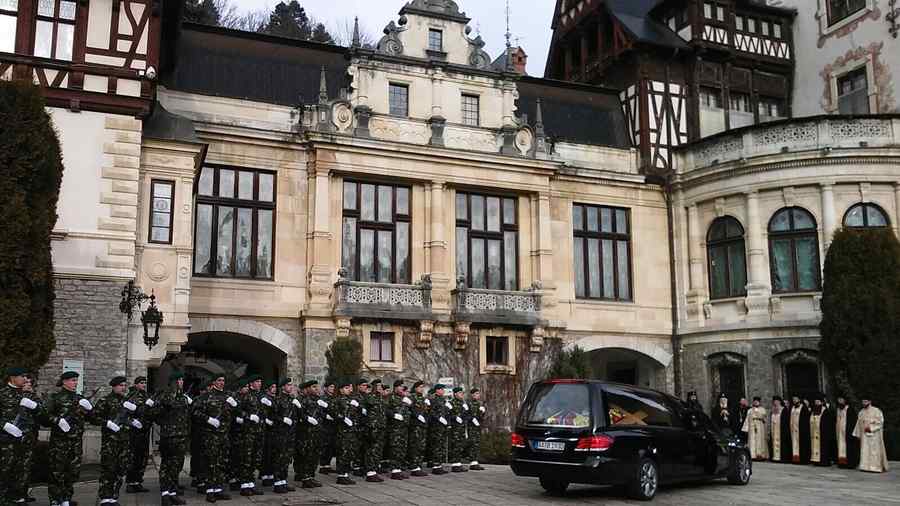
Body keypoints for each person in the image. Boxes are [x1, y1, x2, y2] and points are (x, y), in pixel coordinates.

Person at [45, 371, 94, 506]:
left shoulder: (80, 398)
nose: (75, 383)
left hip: (75, 442)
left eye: (76, 380)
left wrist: (90, 409)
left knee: (72, 472)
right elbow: (44, 416)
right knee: (57, 472)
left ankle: (66, 499)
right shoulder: (55, 398)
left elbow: (92, 418)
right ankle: (56, 500)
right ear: (64, 382)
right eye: (73, 380)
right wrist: (57, 420)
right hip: (59, 442)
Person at [95, 376, 139, 506]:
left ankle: (113, 497)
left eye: (124, 385)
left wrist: (133, 419)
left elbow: (130, 416)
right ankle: (105, 498)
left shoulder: (126, 401)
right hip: (110, 441)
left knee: (120, 470)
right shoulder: (105, 400)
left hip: (124, 440)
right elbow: (94, 417)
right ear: (114, 386)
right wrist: (107, 423)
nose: (123, 388)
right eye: (121, 385)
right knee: (108, 469)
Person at [193, 373, 233, 503]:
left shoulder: (227, 397)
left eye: (223, 380)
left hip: (224, 435)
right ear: (214, 382)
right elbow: (195, 411)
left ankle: (218, 489)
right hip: (211, 435)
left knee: (221, 463)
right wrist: (208, 419)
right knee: (210, 463)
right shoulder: (206, 396)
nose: (222, 383)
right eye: (219, 380)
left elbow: (235, 412)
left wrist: (235, 405)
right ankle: (210, 491)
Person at [155, 371, 189, 506]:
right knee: (166, 466)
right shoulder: (165, 395)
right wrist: (166, 424)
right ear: (173, 382)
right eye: (179, 380)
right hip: (169, 437)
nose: (181, 382)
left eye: (182, 380)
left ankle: (173, 493)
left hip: (181, 436)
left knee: (176, 467)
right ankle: (165, 495)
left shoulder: (183, 397)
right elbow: (155, 414)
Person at [1, 367, 34, 506]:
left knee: (21, 470)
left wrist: (35, 404)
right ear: (13, 378)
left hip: (25, 440)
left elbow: (41, 413)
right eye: (22, 376)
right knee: (5, 470)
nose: (25, 379)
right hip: (6, 441)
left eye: (25, 376)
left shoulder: (26, 394)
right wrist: (4, 425)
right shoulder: (2, 393)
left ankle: (18, 497)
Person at [294, 380, 324, 489]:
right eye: (313, 387)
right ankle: (305, 478)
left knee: (314, 456)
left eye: (317, 387)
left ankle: (310, 476)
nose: (316, 389)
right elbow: (299, 416)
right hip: (306, 433)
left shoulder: (317, 400)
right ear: (307, 389)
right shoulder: (302, 400)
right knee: (306, 455)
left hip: (316, 432)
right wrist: (307, 419)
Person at [124, 377, 151, 493]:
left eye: (145, 383)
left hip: (144, 431)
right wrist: (133, 422)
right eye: (141, 383)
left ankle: (138, 481)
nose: (143, 385)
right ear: (135, 384)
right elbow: (124, 413)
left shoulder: (146, 396)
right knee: (133, 458)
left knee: (142, 457)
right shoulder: (131, 396)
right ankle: (130, 483)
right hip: (134, 432)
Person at [270, 378, 296, 493]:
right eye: (288, 385)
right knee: (279, 459)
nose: (291, 387)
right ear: (283, 387)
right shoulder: (277, 400)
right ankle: (277, 483)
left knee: (286, 459)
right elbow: (272, 416)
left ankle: (283, 481)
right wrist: (282, 419)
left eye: (291, 385)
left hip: (290, 434)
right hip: (280, 434)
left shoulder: (292, 400)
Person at [852, 396, 889, 473]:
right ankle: (864, 467)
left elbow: (880, 422)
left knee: (874, 451)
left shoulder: (876, 411)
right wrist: (858, 434)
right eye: (863, 402)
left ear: (870, 401)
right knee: (865, 450)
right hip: (864, 436)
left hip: (874, 435)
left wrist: (871, 428)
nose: (864, 403)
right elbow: (858, 423)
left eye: (865, 401)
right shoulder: (861, 412)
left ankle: (875, 467)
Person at [332, 379, 358, 485]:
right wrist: (343, 418)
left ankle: (346, 474)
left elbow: (355, 414)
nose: (348, 390)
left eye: (349, 388)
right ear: (341, 390)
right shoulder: (337, 400)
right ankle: (341, 475)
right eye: (346, 388)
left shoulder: (351, 400)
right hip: (342, 431)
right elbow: (334, 413)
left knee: (349, 453)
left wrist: (356, 407)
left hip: (351, 431)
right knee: (342, 452)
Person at [362, 379, 386, 483]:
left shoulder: (380, 398)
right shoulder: (370, 396)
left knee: (378, 449)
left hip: (380, 426)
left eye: (381, 386)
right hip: (372, 427)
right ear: (374, 387)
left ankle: (374, 471)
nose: (380, 388)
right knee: (372, 449)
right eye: (378, 386)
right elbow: (368, 404)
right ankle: (370, 472)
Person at [386, 380, 411, 480]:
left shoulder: (403, 398)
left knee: (402, 449)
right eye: (400, 387)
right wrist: (394, 415)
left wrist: (409, 403)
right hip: (395, 427)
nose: (402, 388)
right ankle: (394, 471)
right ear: (396, 387)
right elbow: (385, 409)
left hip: (404, 427)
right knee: (395, 448)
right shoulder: (390, 397)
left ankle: (398, 469)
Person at [406, 381, 430, 477]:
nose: (422, 389)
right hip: (415, 425)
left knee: (421, 447)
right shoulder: (411, 397)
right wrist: (416, 415)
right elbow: (409, 410)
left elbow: (426, 411)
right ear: (415, 388)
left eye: (422, 387)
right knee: (415, 446)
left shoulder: (423, 398)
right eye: (420, 387)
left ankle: (418, 466)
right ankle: (414, 467)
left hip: (422, 426)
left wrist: (428, 407)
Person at [259, 380, 278, 488]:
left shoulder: (275, 399)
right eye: (272, 387)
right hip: (267, 430)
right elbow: (261, 412)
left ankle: (271, 475)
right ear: (267, 389)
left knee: (272, 454)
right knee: (266, 454)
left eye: (275, 386)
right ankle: (265, 476)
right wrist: (266, 420)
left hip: (274, 429)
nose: (275, 388)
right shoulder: (264, 398)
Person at [428, 384, 449, 475]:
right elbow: (431, 412)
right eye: (441, 389)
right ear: (437, 390)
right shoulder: (433, 400)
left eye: (443, 389)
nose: (443, 391)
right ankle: (435, 466)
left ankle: (439, 465)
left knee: (441, 445)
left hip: (442, 426)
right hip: (436, 426)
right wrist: (439, 418)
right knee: (436, 445)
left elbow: (445, 412)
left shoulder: (443, 400)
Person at [834, 395, 859, 469]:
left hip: (847, 433)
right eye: (839, 400)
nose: (840, 401)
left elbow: (853, 422)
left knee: (848, 448)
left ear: (845, 400)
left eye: (841, 400)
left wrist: (850, 432)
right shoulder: (838, 409)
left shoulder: (849, 409)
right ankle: (841, 463)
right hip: (839, 433)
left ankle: (850, 463)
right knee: (840, 447)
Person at [809, 395, 834, 467]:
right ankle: (815, 460)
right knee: (814, 446)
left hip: (822, 432)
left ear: (822, 402)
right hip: (814, 432)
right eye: (815, 402)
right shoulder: (813, 411)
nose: (816, 403)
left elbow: (827, 424)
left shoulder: (825, 411)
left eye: (818, 402)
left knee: (823, 447)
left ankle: (823, 461)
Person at [318, 379, 337, 475]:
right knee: (325, 445)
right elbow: (319, 411)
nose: (332, 388)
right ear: (325, 388)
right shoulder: (322, 398)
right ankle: (322, 466)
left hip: (333, 425)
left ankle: (327, 465)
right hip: (325, 425)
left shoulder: (333, 398)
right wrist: (326, 416)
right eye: (331, 387)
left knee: (331, 446)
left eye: (333, 387)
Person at [740, 396, 768, 461]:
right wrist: (745, 429)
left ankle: (761, 455)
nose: (756, 402)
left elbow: (765, 418)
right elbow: (747, 419)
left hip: (760, 428)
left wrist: (760, 417)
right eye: (755, 401)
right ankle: (752, 455)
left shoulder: (762, 409)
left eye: (757, 401)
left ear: (759, 402)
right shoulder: (750, 410)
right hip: (752, 428)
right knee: (752, 441)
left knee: (760, 441)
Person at [448, 386, 468, 473]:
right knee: (455, 445)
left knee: (460, 445)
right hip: (455, 428)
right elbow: (448, 415)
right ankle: (454, 465)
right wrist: (455, 417)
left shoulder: (463, 403)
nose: (462, 394)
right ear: (455, 394)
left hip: (461, 427)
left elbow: (465, 416)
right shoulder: (451, 403)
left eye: (462, 393)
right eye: (460, 393)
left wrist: (466, 410)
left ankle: (458, 464)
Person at [788, 395, 810, 464]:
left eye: (795, 399)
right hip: (793, 429)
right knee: (794, 443)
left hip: (800, 430)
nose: (794, 400)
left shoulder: (803, 408)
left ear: (799, 399)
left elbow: (805, 420)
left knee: (801, 444)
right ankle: (794, 458)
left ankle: (802, 459)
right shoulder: (792, 408)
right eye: (793, 399)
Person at [467, 388, 485, 471]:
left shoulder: (478, 404)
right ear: (472, 395)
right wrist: (472, 419)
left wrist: (482, 412)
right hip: (471, 427)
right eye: (476, 393)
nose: (478, 395)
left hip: (477, 427)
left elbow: (480, 417)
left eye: (478, 393)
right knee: (473, 444)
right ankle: (472, 462)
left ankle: (475, 462)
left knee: (476, 444)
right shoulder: (469, 403)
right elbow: (467, 415)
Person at [769, 396, 786, 463]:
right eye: (774, 401)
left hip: (780, 429)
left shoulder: (783, 409)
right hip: (774, 429)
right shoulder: (772, 410)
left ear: (779, 402)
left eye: (776, 401)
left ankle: (781, 457)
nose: (775, 402)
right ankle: (774, 457)